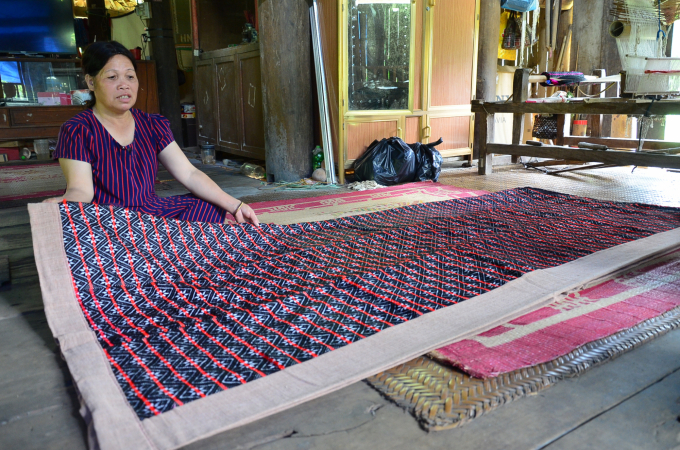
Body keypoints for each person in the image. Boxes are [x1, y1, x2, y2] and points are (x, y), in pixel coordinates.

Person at [45, 41, 259, 226]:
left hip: (150, 214)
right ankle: (167, 251)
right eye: (112, 77)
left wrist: (236, 205)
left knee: (210, 205)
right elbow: (81, 191)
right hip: (109, 220)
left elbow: (189, 173)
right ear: (91, 82)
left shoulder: (152, 125)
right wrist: (64, 203)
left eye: (130, 77)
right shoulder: (78, 129)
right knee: (78, 226)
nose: (124, 85)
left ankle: (153, 252)